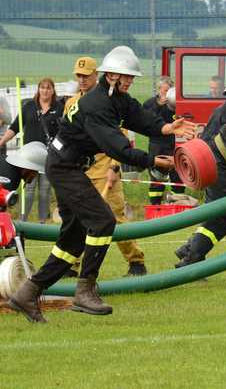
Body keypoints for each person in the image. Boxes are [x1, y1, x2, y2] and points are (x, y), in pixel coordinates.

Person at [8, 46, 196, 323]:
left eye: (131, 77)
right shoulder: (96, 106)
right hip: (64, 167)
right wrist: (154, 161)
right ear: (110, 76)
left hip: (68, 166)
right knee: (103, 221)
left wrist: (165, 128)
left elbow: (137, 115)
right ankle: (85, 291)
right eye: (125, 76)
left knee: (71, 243)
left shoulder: (117, 98)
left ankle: (26, 293)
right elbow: (118, 148)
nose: (129, 81)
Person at [63, 56, 148, 278]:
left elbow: (121, 139)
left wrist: (114, 167)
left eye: (86, 76)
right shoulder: (71, 103)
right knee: (76, 219)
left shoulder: (111, 101)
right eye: (78, 76)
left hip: (105, 169)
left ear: (97, 75)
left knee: (115, 219)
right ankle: (71, 264)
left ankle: (136, 262)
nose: (81, 80)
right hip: (80, 171)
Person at [175, 69, 226, 267]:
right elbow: (206, 144)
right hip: (225, 179)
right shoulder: (221, 113)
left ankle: (190, 255)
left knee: (217, 222)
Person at [0, 78, 63, 222]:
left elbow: (63, 133)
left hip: (48, 157)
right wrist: (2, 141)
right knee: (28, 191)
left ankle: (42, 222)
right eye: (42, 87)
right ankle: (23, 220)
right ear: (38, 89)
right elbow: (15, 127)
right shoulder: (28, 106)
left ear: (53, 90)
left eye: (48, 88)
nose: (45, 91)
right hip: (28, 159)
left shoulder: (59, 108)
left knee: (45, 190)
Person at [143, 76, 185, 204]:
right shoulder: (149, 104)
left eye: (170, 91)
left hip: (174, 144)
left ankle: (178, 207)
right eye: (165, 91)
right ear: (158, 90)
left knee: (178, 177)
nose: (167, 94)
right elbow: (144, 121)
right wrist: (158, 105)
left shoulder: (176, 104)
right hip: (157, 145)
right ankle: (155, 206)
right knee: (157, 178)